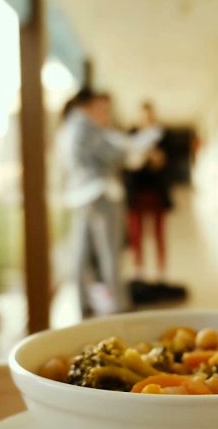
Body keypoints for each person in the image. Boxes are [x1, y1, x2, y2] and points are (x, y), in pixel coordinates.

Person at [58, 89, 161, 317]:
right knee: (110, 252)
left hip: (81, 196)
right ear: (89, 106)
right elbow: (115, 154)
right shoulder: (85, 127)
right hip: (100, 194)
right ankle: (120, 306)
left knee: (82, 252)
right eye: (103, 109)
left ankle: (83, 303)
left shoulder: (68, 129)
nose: (106, 115)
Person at [123, 102, 187, 304]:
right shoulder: (131, 136)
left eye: (149, 115)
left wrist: (158, 160)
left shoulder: (164, 137)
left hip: (156, 192)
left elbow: (170, 163)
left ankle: (161, 272)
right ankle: (139, 272)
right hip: (137, 193)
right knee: (137, 234)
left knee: (159, 233)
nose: (146, 119)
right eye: (143, 116)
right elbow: (127, 163)